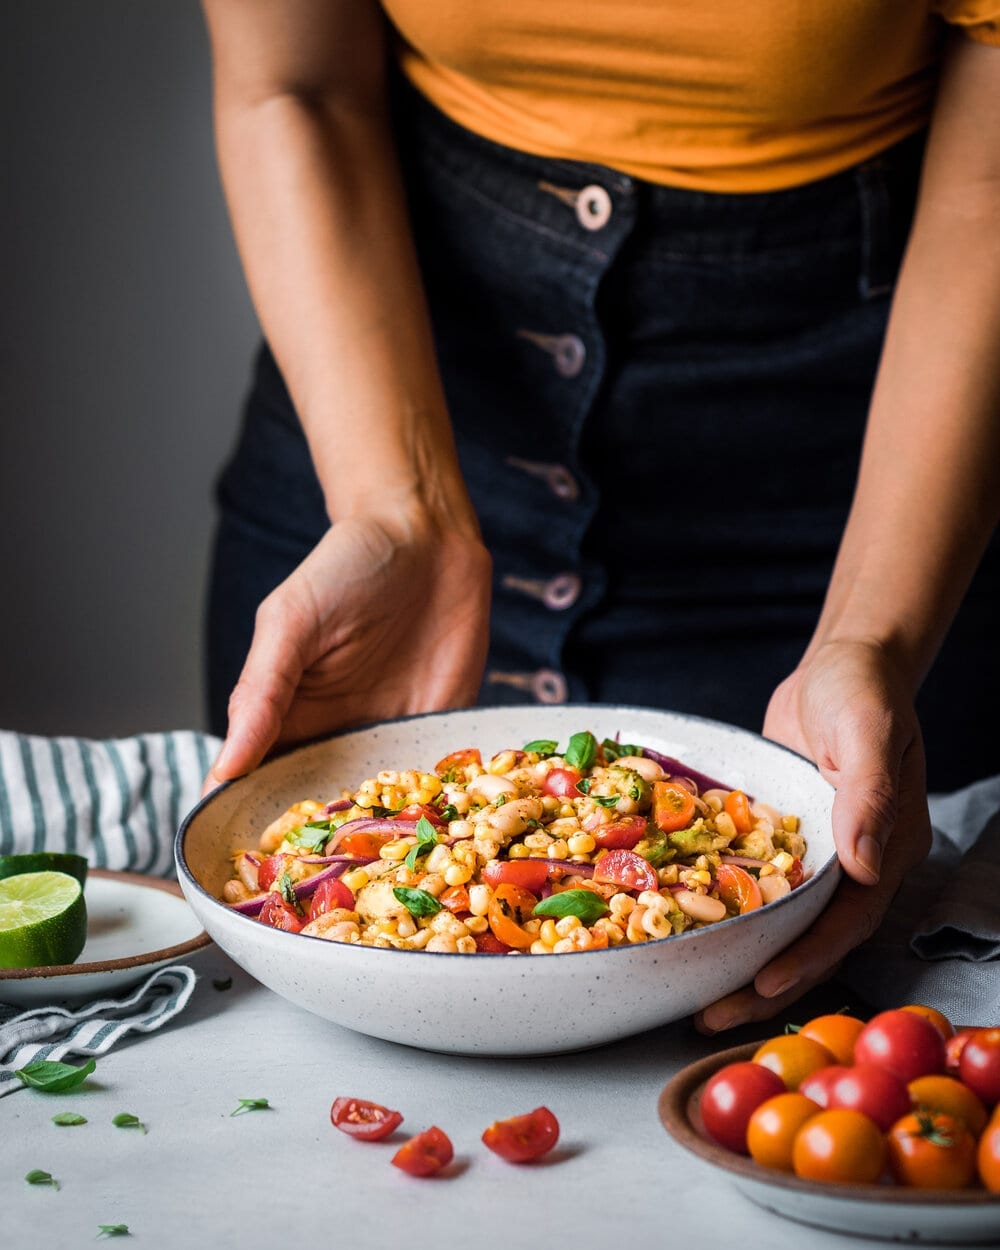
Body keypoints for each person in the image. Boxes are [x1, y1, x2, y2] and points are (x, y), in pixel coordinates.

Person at [199, 1, 1000, 1032]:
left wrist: (869, 634)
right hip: (384, 375)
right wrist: (397, 507)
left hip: (859, 446)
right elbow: (290, 84)